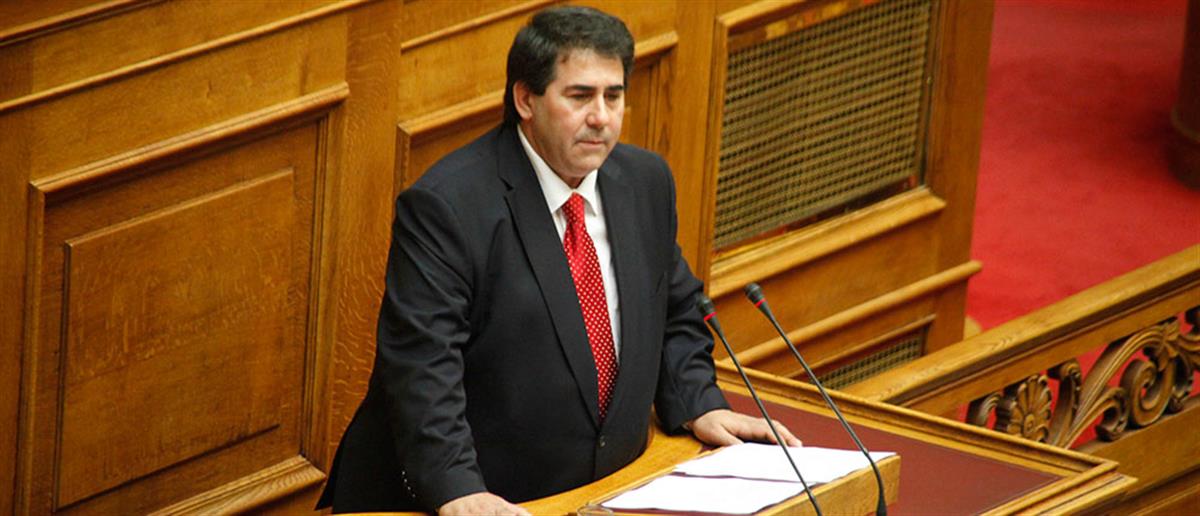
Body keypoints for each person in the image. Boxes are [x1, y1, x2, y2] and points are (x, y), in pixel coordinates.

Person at [317, 6, 799, 515]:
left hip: (609, 490)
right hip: (485, 498)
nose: (602, 117)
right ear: (526, 99)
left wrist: (697, 400)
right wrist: (457, 488)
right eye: (580, 96)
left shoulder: (644, 182)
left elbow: (676, 308)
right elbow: (422, 365)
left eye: (613, 96)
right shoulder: (448, 207)